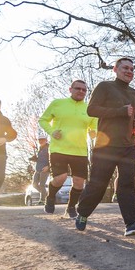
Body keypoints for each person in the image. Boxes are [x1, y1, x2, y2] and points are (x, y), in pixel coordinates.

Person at [74, 58, 135, 236]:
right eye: (125, 68)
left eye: (132, 69)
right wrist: (120, 111)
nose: (129, 71)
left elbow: (133, 116)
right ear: (115, 69)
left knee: (128, 183)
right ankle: (82, 212)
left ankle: (131, 223)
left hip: (128, 145)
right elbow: (92, 110)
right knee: (99, 184)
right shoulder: (105, 86)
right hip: (106, 145)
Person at [39, 80, 98, 218]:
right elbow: (43, 120)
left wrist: (94, 131)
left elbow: (94, 124)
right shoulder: (57, 103)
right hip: (59, 149)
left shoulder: (89, 108)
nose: (81, 91)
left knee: (79, 182)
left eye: (84, 90)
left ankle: (71, 207)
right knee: (60, 178)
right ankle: (50, 197)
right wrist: (52, 131)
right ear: (70, 89)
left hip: (80, 150)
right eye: (78, 88)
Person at [29, 133, 50, 204]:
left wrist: (48, 166)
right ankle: (45, 194)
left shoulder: (49, 148)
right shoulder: (40, 149)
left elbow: (52, 159)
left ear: (46, 140)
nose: (41, 141)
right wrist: (34, 159)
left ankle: (42, 200)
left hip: (45, 169)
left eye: (42, 140)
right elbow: (39, 159)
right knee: (34, 184)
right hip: (37, 169)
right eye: (40, 140)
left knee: (42, 185)